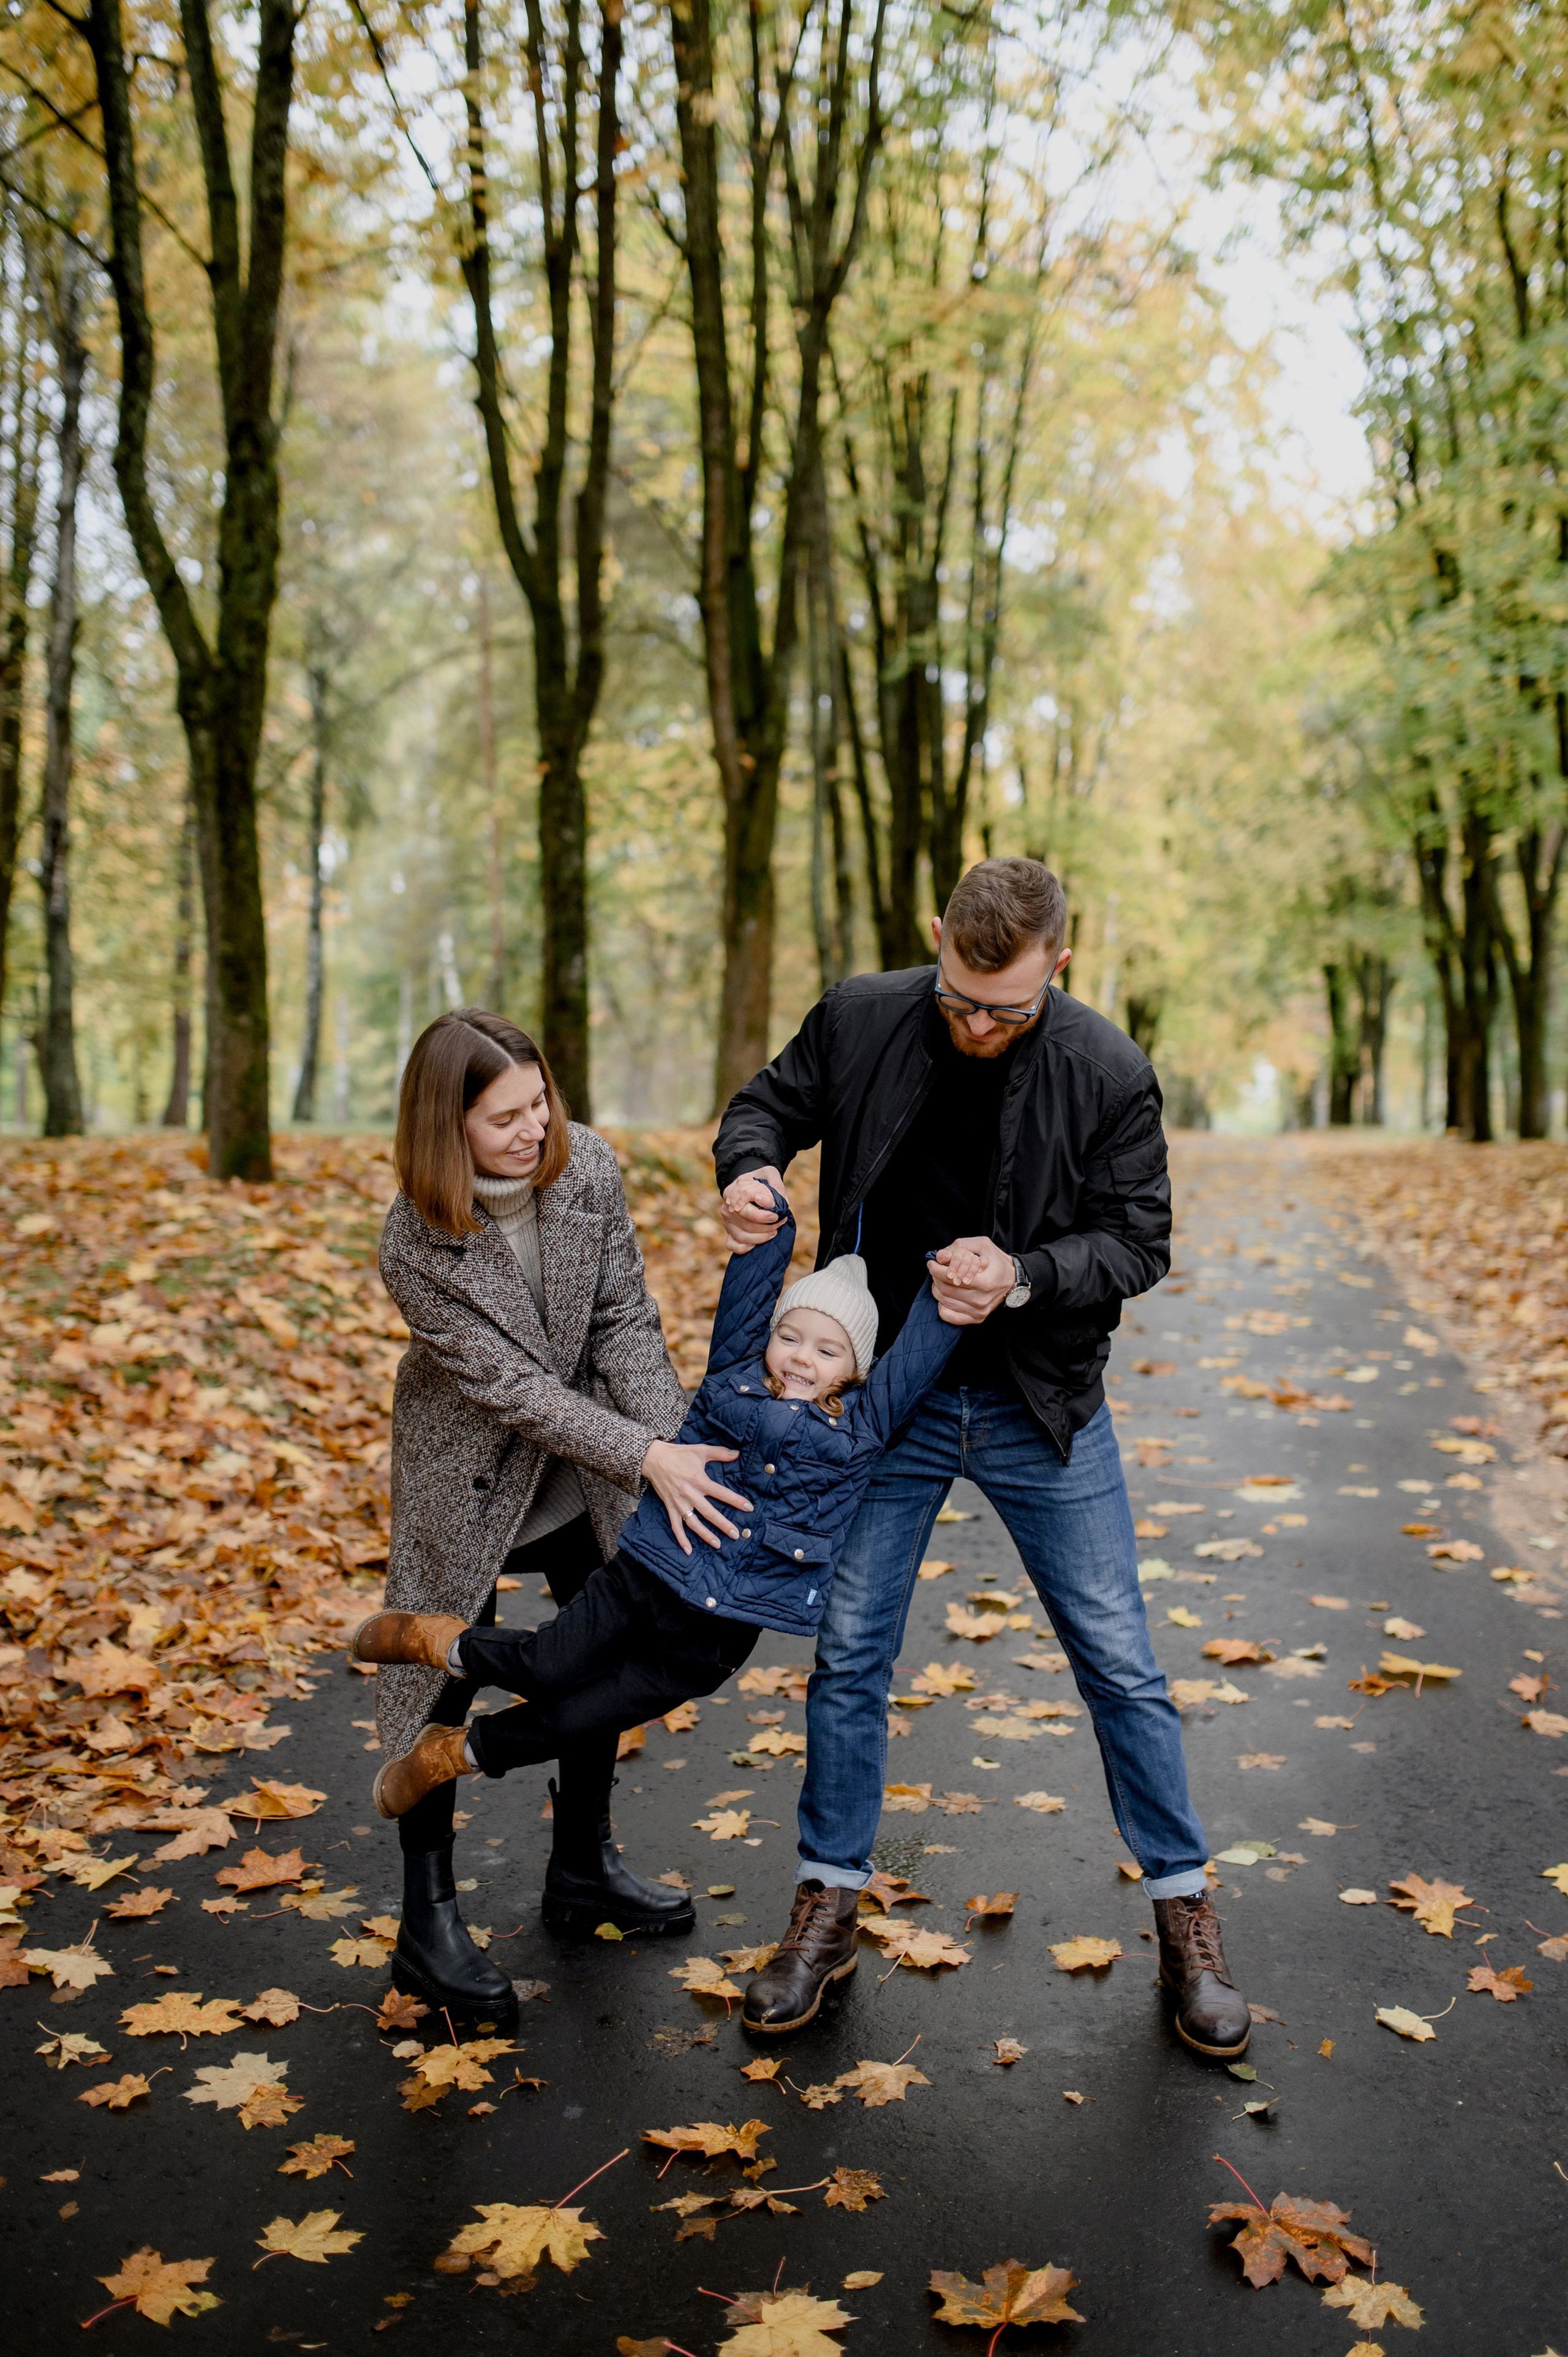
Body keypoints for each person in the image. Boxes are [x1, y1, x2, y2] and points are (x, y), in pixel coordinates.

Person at [713, 857, 1251, 2058]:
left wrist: (1019, 1276)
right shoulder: (861, 1014)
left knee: (1117, 1657)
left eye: (1002, 1009)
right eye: (956, 996)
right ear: (936, 944)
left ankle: (1183, 1910)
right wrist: (748, 1168)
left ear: (1059, 963)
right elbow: (765, 1107)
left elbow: (1134, 1243)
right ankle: (825, 1903)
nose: (971, 1026)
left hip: (1036, 1399)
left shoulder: (1106, 1069)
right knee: (848, 1648)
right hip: (884, 1399)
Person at [353, 1202, 970, 1871]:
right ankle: (439, 1640)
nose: (800, 1358)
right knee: (548, 1666)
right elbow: (749, 1290)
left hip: (712, 1639)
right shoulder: (733, 1378)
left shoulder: (863, 1426)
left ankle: (452, 1753)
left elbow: (918, 1355)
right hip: (647, 1572)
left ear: (855, 1367)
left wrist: (951, 1290)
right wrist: (771, 1221)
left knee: (580, 1718)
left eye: (827, 1350)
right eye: (790, 1337)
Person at [374, 1008, 754, 2019]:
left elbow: (627, 1320)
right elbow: (511, 1389)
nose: (536, 1129)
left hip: (592, 1460)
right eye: (506, 1117)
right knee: (447, 1680)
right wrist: (647, 1453)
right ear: (444, 1128)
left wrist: (680, 1450)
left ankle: (582, 1866)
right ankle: (428, 1921)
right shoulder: (414, 1241)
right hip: (472, 1462)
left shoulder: (587, 1168)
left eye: (541, 1100)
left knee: (606, 1645)